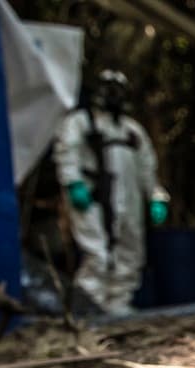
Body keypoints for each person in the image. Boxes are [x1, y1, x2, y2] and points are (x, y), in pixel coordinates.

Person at [53, 69, 169, 315]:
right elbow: (67, 152)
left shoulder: (132, 130)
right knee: (97, 253)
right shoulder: (82, 121)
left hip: (130, 199)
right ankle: (89, 307)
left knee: (130, 252)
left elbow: (148, 168)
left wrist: (156, 197)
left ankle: (118, 305)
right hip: (93, 196)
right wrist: (73, 183)